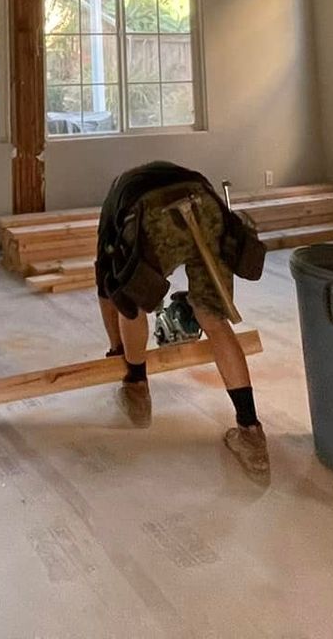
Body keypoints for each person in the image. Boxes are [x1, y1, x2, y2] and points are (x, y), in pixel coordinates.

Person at [94, 160, 269, 479]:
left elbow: (109, 290)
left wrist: (116, 350)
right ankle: (251, 435)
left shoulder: (113, 208)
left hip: (154, 216)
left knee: (131, 303)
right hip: (207, 205)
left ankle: (136, 388)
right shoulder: (170, 173)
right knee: (215, 319)